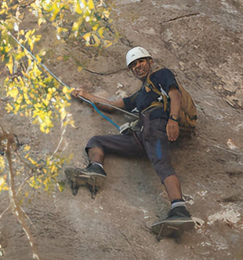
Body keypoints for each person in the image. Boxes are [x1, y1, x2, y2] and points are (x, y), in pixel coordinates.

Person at [69, 46, 191, 222]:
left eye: (141, 61)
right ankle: (96, 169)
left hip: (157, 128)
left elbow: (175, 95)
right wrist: (86, 96)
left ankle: (179, 208)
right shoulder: (138, 97)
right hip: (142, 136)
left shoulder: (162, 75)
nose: (138, 66)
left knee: (161, 163)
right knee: (97, 141)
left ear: (150, 62)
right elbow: (111, 105)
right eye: (133, 65)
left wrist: (173, 120)